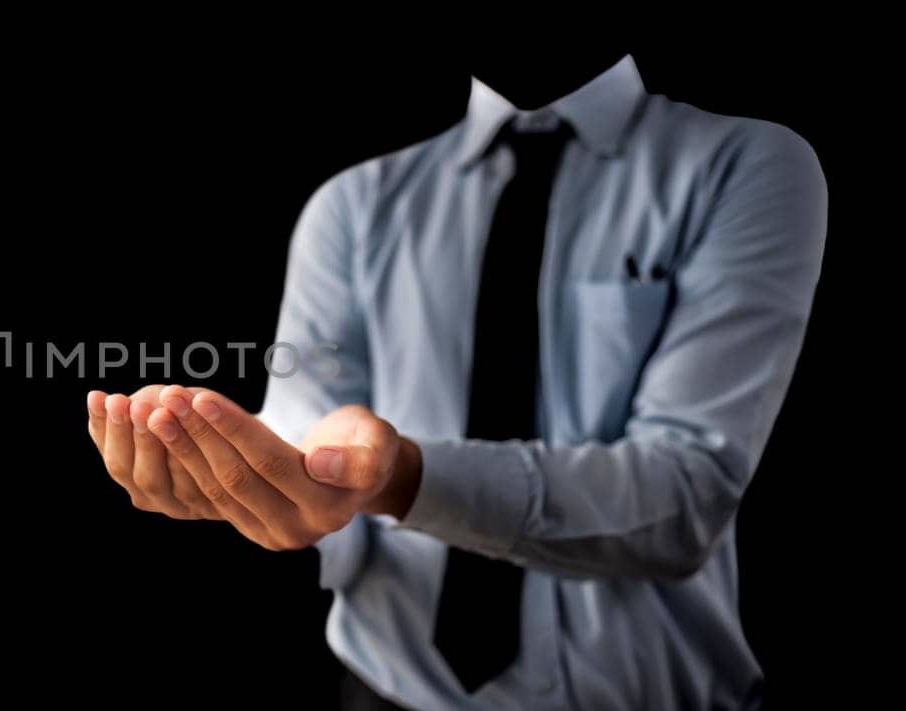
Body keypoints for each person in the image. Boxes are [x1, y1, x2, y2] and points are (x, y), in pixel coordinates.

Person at [84, 50, 826, 710]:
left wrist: (403, 476)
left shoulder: (746, 165)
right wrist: (262, 487)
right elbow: (308, 453)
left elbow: (682, 497)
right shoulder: (352, 208)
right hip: (386, 689)